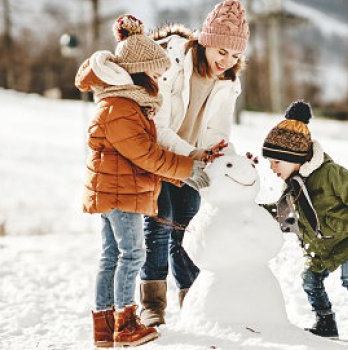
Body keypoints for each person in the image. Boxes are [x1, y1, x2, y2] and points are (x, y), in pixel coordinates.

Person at [75, 14, 214, 348]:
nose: (158, 79)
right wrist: (186, 168)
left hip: (116, 190)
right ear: (138, 70)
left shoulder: (126, 104)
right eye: (154, 72)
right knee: (133, 255)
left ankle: (104, 328)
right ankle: (126, 324)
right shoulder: (121, 107)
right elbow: (147, 154)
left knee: (111, 258)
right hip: (120, 193)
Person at [138, 0, 250, 327]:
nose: (226, 61)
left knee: (187, 230)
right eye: (221, 51)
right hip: (158, 155)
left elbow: (218, 133)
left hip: (192, 163)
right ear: (205, 41)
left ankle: (193, 299)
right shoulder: (172, 61)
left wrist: (231, 163)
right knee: (160, 225)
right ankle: (153, 305)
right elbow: (158, 125)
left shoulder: (227, 82)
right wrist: (191, 156)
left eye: (235, 55)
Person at [261, 101, 348, 345]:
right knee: (310, 280)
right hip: (319, 246)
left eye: (276, 161)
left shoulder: (331, 173)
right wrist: (250, 213)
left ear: (294, 157)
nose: (271, 167)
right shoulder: (292, 185)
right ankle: (326, 323)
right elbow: (283, 214)